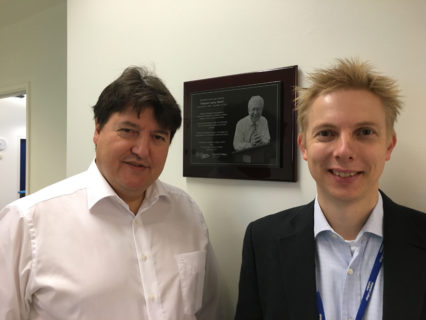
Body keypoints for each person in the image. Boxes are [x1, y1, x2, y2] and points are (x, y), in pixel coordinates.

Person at [0, 66, 220, 320]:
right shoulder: (27, 223)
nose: (142, 150)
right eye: (128, 131)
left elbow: (208, 309)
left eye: (158, 137)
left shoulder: (188, 213)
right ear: (97, 130)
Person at [234, 58, 426, 320]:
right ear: (303, 146)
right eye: (326, 133)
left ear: (389, 146)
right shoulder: (262, 241)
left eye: (365, 131)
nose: (344, 151)